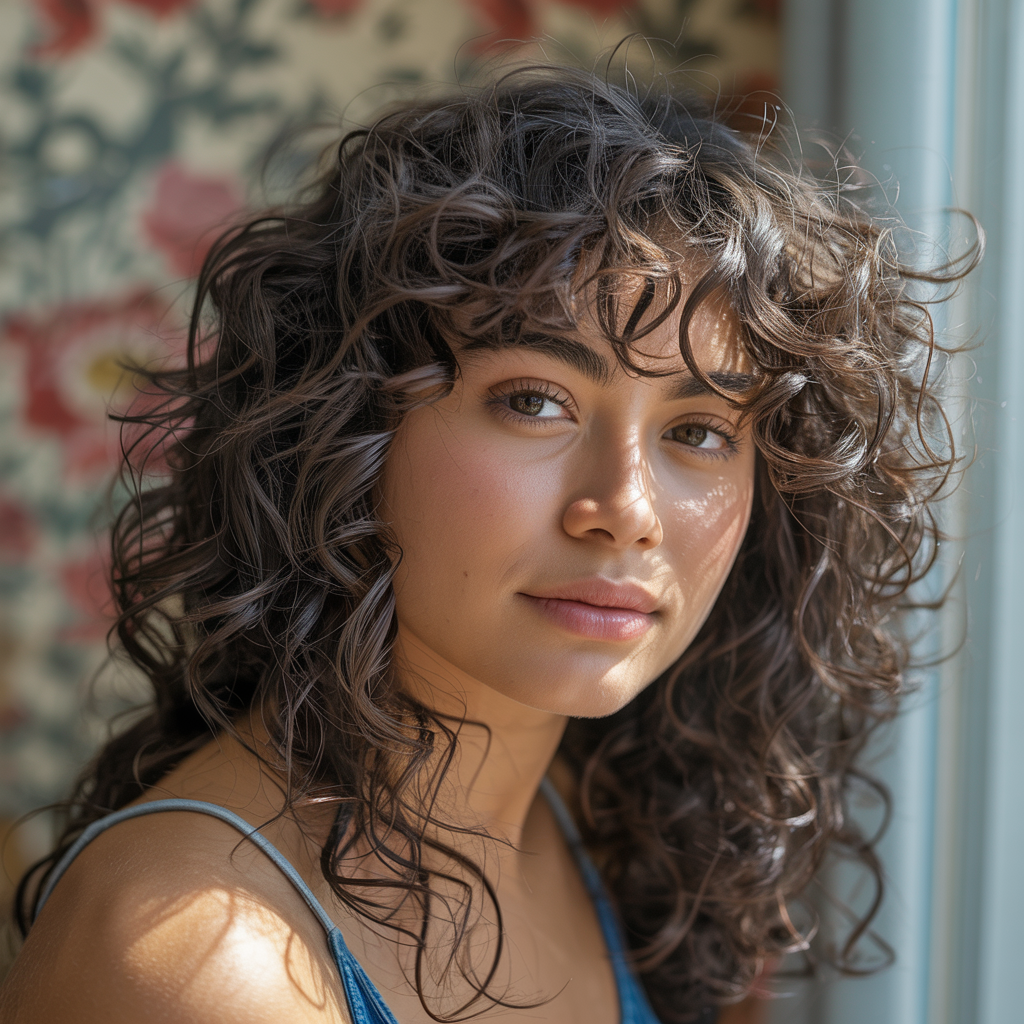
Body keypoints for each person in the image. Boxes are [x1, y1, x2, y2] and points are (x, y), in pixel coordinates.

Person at [0, 62, 975, 1024]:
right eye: (534, 401)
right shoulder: (203, 966)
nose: (623, 506)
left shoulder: (595, 829)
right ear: (346, 429)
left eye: (699, 431)